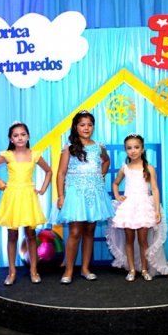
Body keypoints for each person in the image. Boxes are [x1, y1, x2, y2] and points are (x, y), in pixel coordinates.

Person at [0, 122, 52, 285]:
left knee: (31, 235)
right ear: (11, 139)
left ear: (28, 136)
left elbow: (49, 171)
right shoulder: (7, 155)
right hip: (13, 197)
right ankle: (12, 272)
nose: (20, 138)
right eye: (16, 135)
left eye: (23, 134)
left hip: (28, 197)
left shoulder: (34, 154)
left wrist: (43, 189)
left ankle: (34, 270)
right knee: (12, 235)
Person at [51, 110, 115, 284]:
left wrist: (101, 175)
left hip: (94, 193)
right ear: (75, 127)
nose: (86, 128)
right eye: (82, 125)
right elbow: (61, 173)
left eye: (89, 125)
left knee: (89, 230)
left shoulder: (98, 146)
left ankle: (85, 268)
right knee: (74, 231)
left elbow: (106, 161)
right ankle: (69, 270)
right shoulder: (69, 147)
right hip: (75, 194)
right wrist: (61, 196)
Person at [107, 134, 168, 281]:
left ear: (142, 149)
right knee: (129, 240)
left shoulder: (148, 168)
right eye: (129, 148)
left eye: (136, 147)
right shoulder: (125, 168)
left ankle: (144, 269)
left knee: (143, 240)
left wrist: (156, 210)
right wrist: (117, 195)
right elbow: (115, 183)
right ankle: (131, 269)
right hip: (129, 207)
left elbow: (155, 189)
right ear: (125, 150)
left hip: (143, 207)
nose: (133, 151)